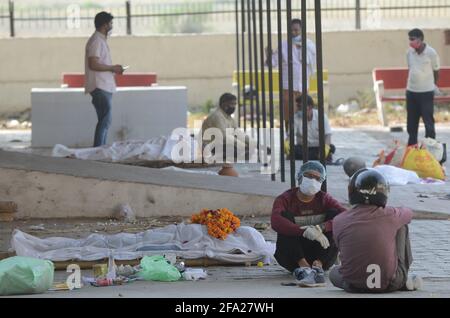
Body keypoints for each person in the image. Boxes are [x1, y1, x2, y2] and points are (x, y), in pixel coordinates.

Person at [330, 168, 423, 293]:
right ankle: (403, 278)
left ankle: (356, 278)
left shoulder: (339, 220)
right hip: (390, 284)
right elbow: (409, 213)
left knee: (333, 273)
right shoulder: (391, 214)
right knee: (402, 225)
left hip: (354, 284)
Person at [271, 161, 346, 287]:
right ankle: (304, 267)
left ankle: (318, 267)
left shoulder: (324, 199)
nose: (312, 181)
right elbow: (276, 221)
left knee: (334, 214)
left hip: (323, 255)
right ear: (300, 177)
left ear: (321, 182)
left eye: (317, 178)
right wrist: (303, 231)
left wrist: (323, 227)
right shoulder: (285, 199)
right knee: (285, 217)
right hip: (292, 257)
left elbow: (346, 216)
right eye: (309, 176)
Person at [265, 19, 316, 132]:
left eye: (296, 30)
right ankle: (289, 135)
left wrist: (303, 48)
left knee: (302, 111)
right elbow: (272, 63)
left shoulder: (309, 45)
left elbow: (313, 61)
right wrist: (269, 55)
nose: (293, 32)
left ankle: (302, 136)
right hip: (288, 84)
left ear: (301, 30)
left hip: (302, 84)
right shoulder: (283, 45)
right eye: (291, 30)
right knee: (288, 112)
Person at [85, 11, 125, 147]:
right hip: (100, 86)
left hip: (103, 86)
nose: (112, 26)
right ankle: (98, 150)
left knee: (104, 120)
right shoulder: (97, 41)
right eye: (110, 23)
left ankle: (99, 150)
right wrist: (113, 68)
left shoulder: (100, 40)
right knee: (105, 120)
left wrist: (114, 69)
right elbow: (93, 64)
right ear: (104, 25)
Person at [406, 28, 440, 146]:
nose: (410, 42)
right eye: (409, 39)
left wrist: (433, 84)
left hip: (426, 92)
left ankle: (430, 146)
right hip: (411, 92)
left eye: (412, 39)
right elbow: (410, 68)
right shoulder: (409, 52)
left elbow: (436, 70)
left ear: (420, 39)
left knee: (428, 122)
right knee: (411, 123)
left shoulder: (431, 53)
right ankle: (411, 145)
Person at [200, 93, 252, 162]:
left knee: (247, 149)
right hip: (211, 147)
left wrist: (254, 144)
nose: (233, 107)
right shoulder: (217, 116)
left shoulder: (229, 118)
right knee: (237, 150)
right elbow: (224, 137)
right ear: (223, 104)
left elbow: (239, 133)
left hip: (223, 145)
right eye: (231, 104)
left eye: (234, 104)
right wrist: (242, 146)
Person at [293, 95, 335, 163]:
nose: (298, 109)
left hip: (318, 148)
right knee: (292, 150)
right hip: (302, 148)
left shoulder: (321, 116)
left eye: (300, 107)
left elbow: (328, 135)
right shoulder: (295, 118)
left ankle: (319, 156)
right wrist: (287, 143)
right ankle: (316, 157)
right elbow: (290, 136)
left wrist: (326, 147)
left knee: (331, 148)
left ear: (310, 107)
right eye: (298, 107)